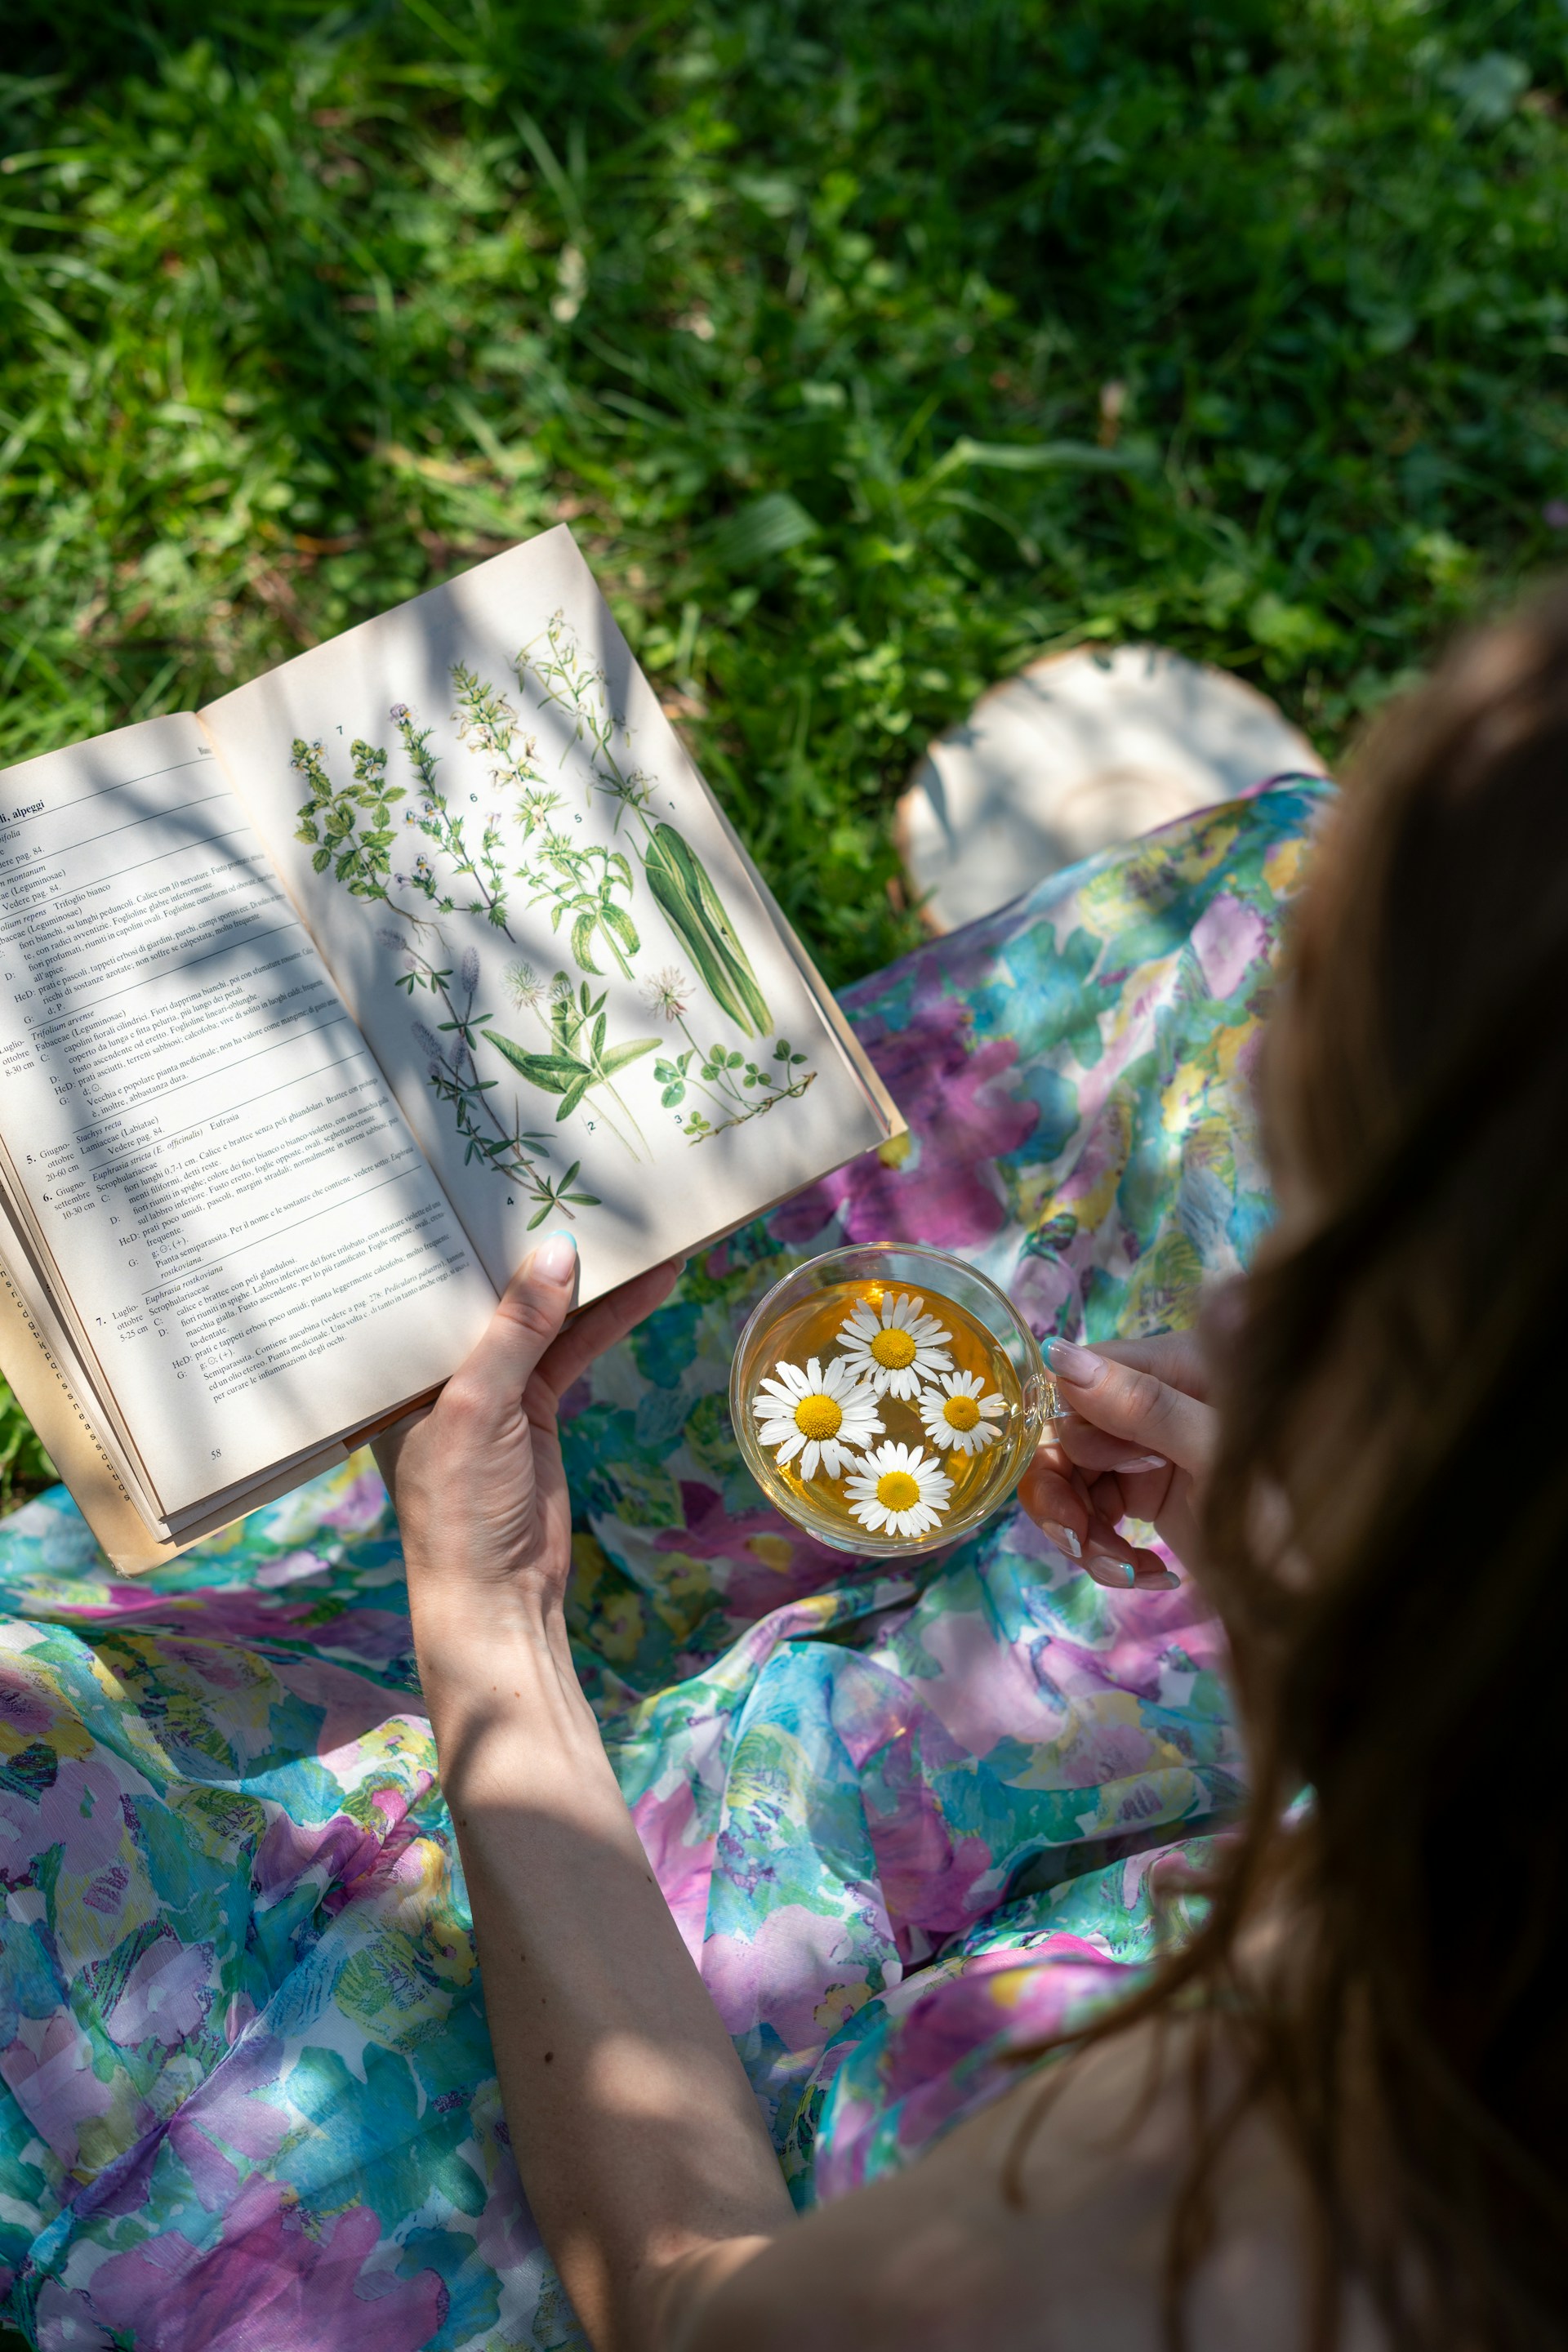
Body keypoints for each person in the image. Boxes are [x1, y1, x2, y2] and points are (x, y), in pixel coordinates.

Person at [378, 587, 1568, 2352]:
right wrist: (1349, 1614)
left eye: (1330, 1250)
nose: (1238, 1300)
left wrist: (488, 1621)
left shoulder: (1228, 2192)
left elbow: (702, 2317)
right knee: (1280, 880)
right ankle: (1204, 939)